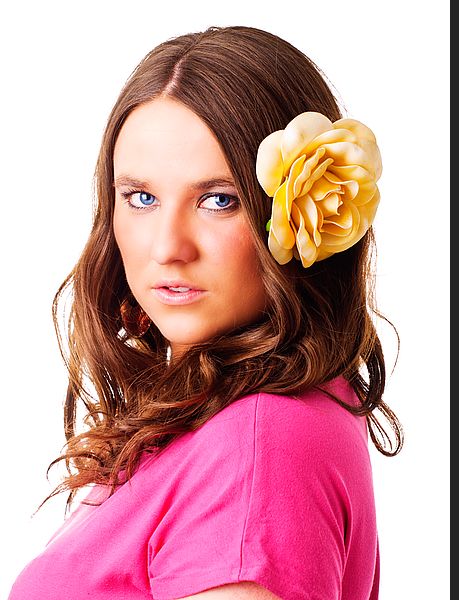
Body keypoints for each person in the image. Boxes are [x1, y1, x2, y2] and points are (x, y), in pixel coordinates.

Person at [9, 25, 402, 600]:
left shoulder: (256, 448)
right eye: (141, 198)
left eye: (219, 200)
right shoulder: (229, 420)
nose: (168, 246)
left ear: (295, 218)